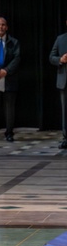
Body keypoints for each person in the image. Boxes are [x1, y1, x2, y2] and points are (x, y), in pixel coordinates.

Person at [49, 18, 67, 150]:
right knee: (65, 111)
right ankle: (66, 138)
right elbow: (51, 57)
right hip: (64, 81)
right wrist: (60, 59)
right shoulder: (60, 39)